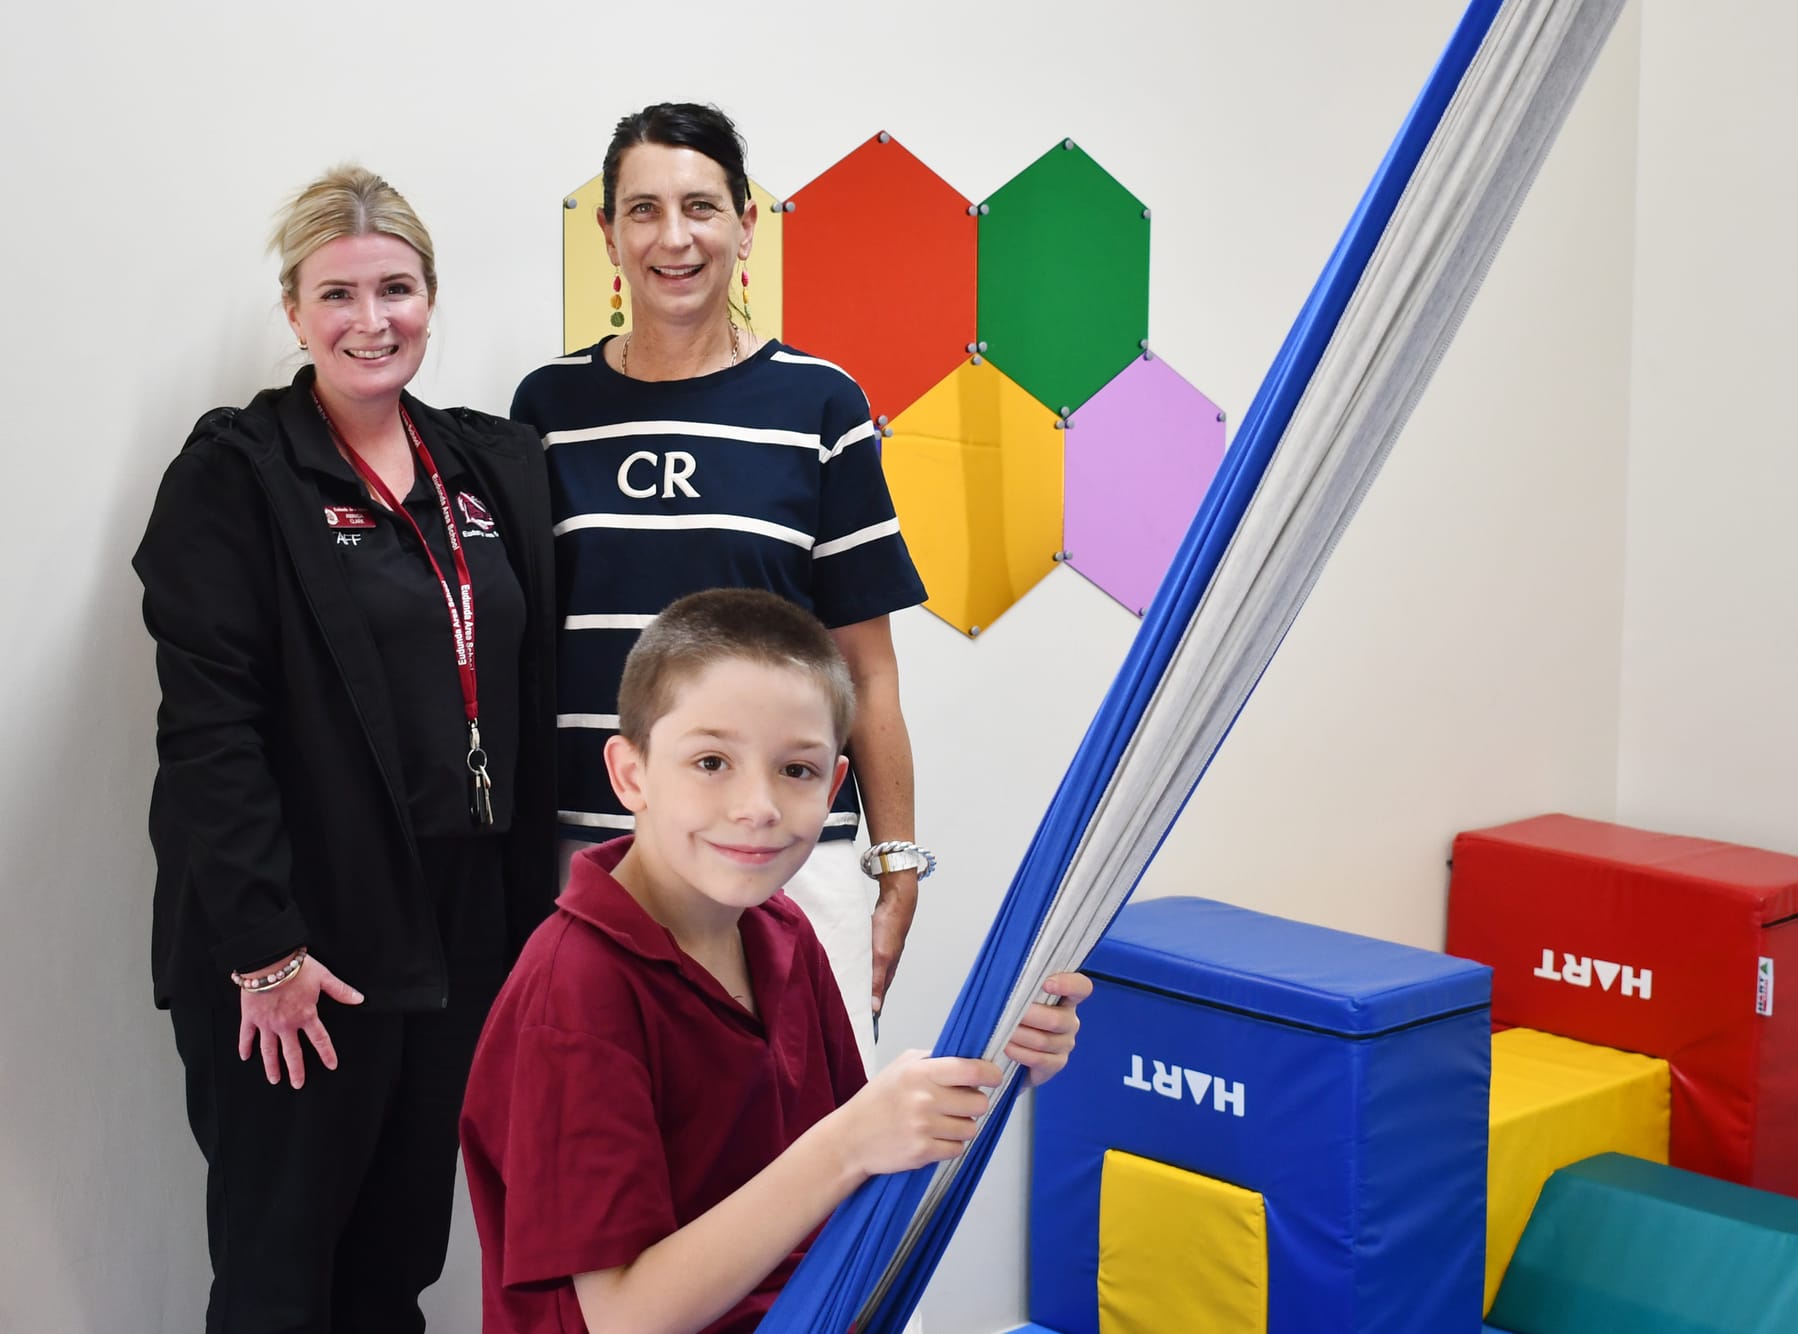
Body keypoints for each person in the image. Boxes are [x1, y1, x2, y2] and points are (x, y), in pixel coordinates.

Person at [133, 165, 558, 1333]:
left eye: (397, 288)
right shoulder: (238, 476)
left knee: (397, 1269)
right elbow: (208, 729)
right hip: (302, 944)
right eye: (339, 294)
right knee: (282, 1281)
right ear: (294, 312)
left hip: (457, 931)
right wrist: (267, 949)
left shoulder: (489, 468)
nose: (372, 320)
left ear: (432, 297)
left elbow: (531, 683)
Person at [460, 589, 1090, 1334]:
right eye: (711, 761)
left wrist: (997, 1066)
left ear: (834, 785)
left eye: (796, 771)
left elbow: (861, 1176)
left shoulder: (782, 933)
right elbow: (623, 1317)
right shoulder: (575, 992)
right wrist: (852, 1140)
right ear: (631, 775)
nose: (757, 805)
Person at [511, 102, 927, 1062]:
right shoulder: (547, 409)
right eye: (643, 210)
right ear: (609, 235)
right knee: (624, 1169)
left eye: (701, 206)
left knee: (812, 1162)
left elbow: (867, 667)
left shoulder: (821, 404)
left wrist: (896, 856)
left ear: (746, 225)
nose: (674, 236)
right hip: (602, 851)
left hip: (784, 850)